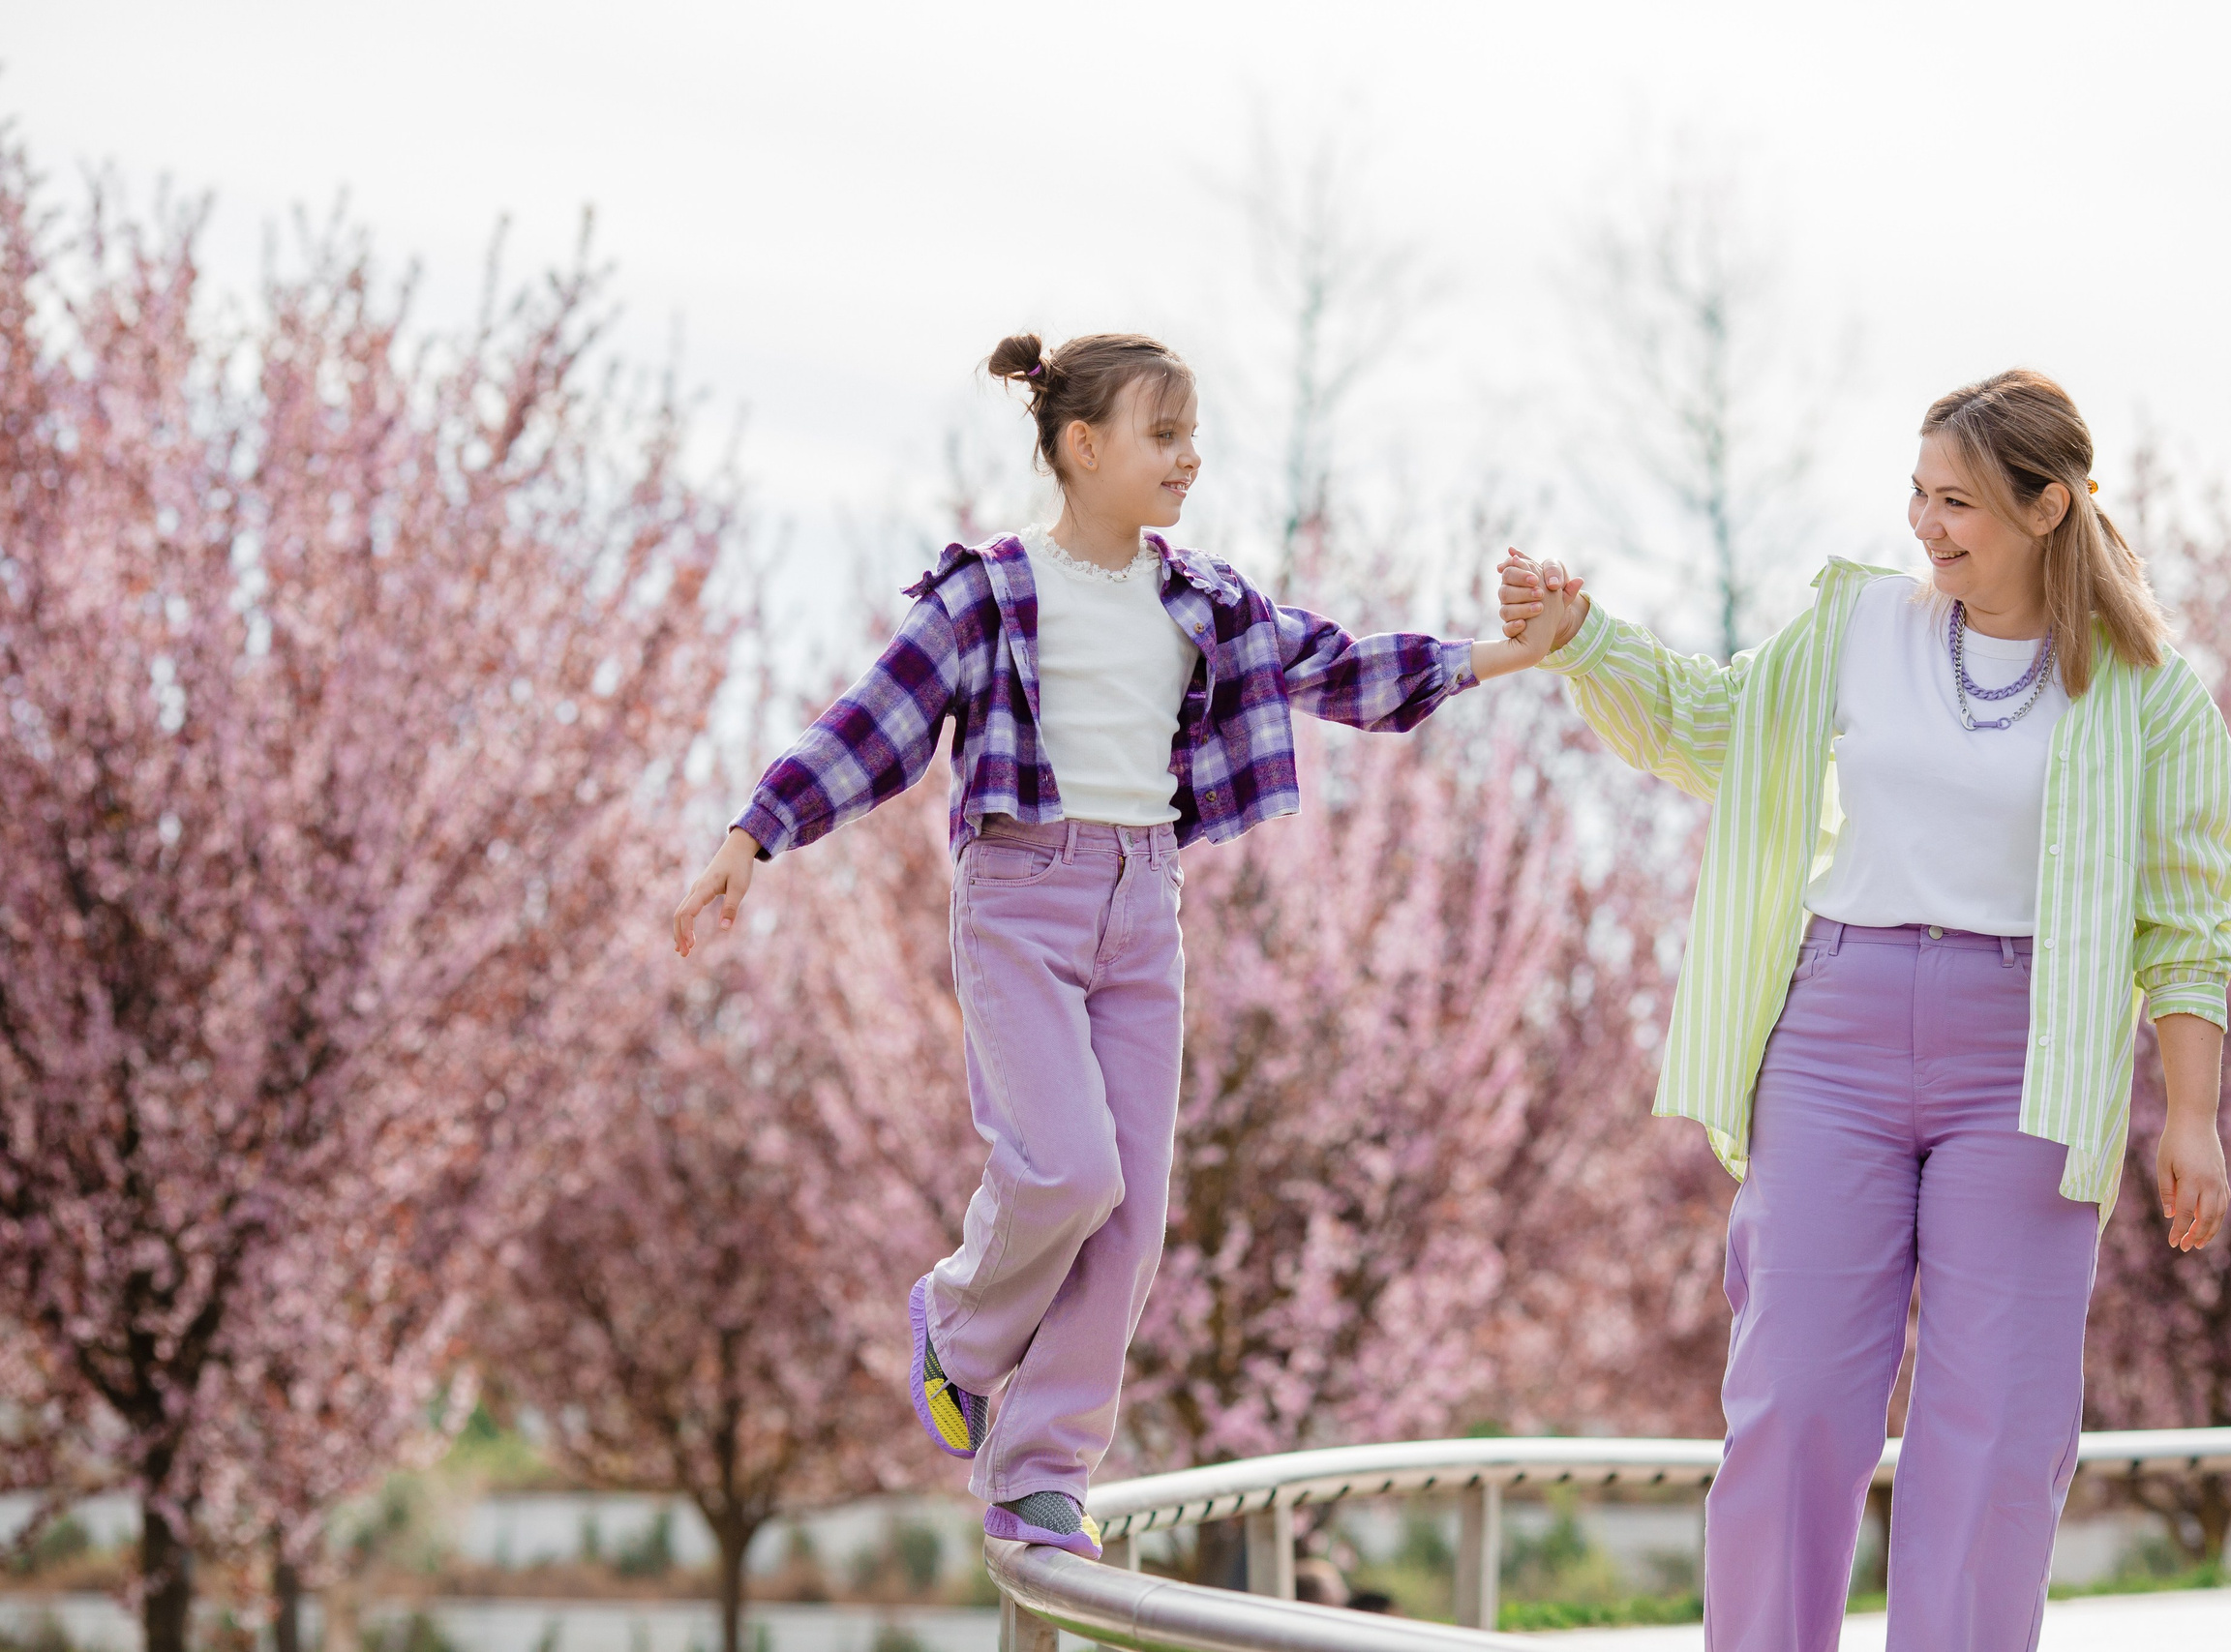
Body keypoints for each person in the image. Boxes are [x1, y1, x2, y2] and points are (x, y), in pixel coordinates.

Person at [672, 332, 1574, 1558]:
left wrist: (1510, 652)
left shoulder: (1201, 600)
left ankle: (1040, 1470)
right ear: (1081, 446)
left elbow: (1342, 667)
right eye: (1163, 436)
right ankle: (959, 1323)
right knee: (1064, 1170)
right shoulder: (990, 593)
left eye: (1194, 437)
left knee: (1132, 1212)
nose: (1188, 459)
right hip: (1019, 896)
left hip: (1144, 911)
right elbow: (872, 721)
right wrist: (755, 831)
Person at [1498, 369, 2231, 1650]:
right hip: (1834, 1034)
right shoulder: (1857, 628)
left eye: (1957, 502)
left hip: (2029, 1056)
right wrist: (1587, 638)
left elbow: (2186, 918)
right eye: (1918, 492)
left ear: (2048, 506)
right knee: (1793, 1398)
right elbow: (1711, 725)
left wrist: (2194, 1112)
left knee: (1996, 1424)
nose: (1925, 523)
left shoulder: (2147, 690)